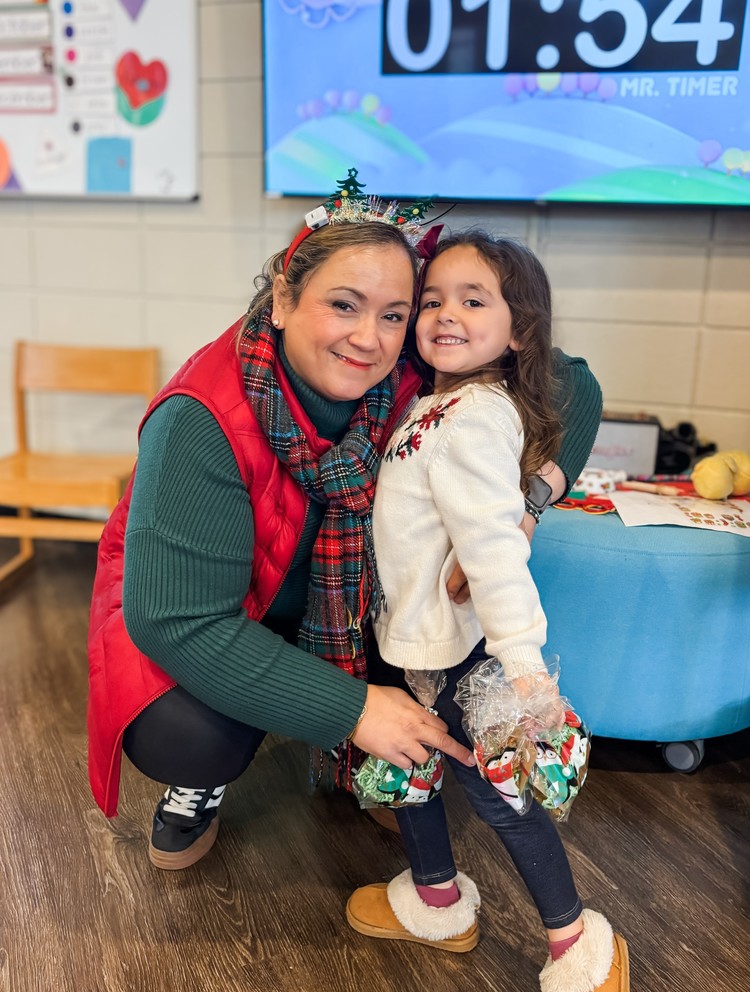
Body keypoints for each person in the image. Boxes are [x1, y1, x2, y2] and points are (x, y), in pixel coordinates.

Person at [86, 177, 599, 883]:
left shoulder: (416, 357)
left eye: (394, 313)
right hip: (216, 608)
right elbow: (178, 621)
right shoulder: (198, 421)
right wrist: (355, 708)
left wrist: (529, 504)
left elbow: (574, 383)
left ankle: (364, 756)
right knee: (190, 736)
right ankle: (208, 781)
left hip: (346, 607)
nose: (369, 338)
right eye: (342, 305)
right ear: (284, 297)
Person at [346, 230, 629, 992]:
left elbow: (496, 553)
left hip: (464, 656)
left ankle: (576, 945)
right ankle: (437, 899)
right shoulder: (430, 406)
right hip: (410, 641)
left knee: (496, 794)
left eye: (474, 301)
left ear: (520, 330)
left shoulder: (474, 418)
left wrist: (525, 667)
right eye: (432, 300)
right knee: (413, 773)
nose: (444, 315)